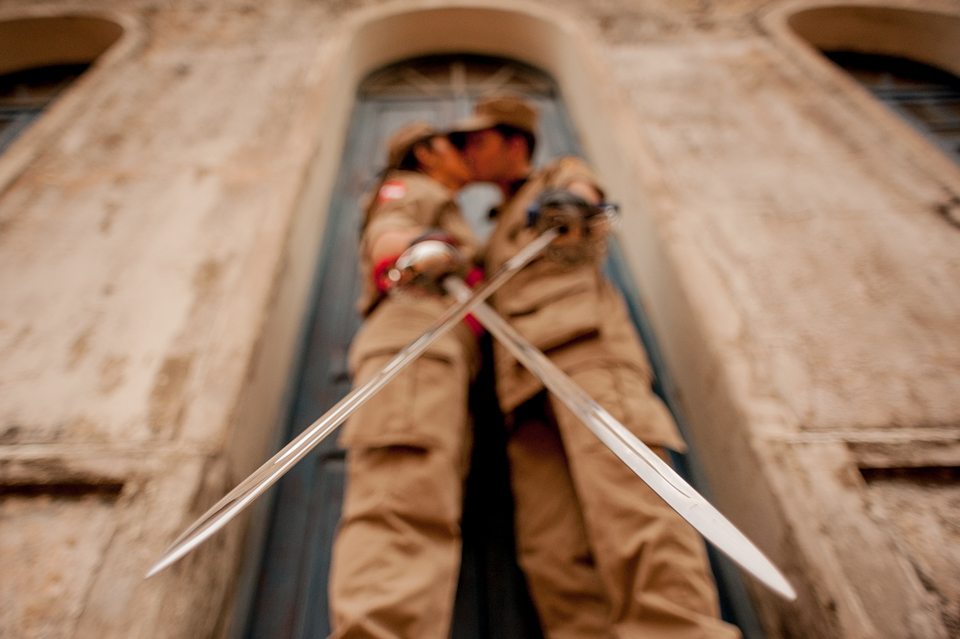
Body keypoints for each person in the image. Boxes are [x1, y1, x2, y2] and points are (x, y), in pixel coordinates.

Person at [452, 94, 742, 639]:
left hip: (586, 357)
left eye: (478, 140)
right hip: (523, 392)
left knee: (633, 512)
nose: (468, 151)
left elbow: (584, 193)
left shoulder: (555, 177)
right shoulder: (493, 231)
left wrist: (569, 201)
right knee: (553, 554)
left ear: (515, 143)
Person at [328, 122, 480, 639]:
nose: (466, 155)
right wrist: (417, 247)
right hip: (415, 336)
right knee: (401, 504)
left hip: (448, 349)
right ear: (427, 153)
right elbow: (388, 232)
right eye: (455, 145)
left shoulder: (444, 197)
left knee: (425, 503)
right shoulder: (411, 187)